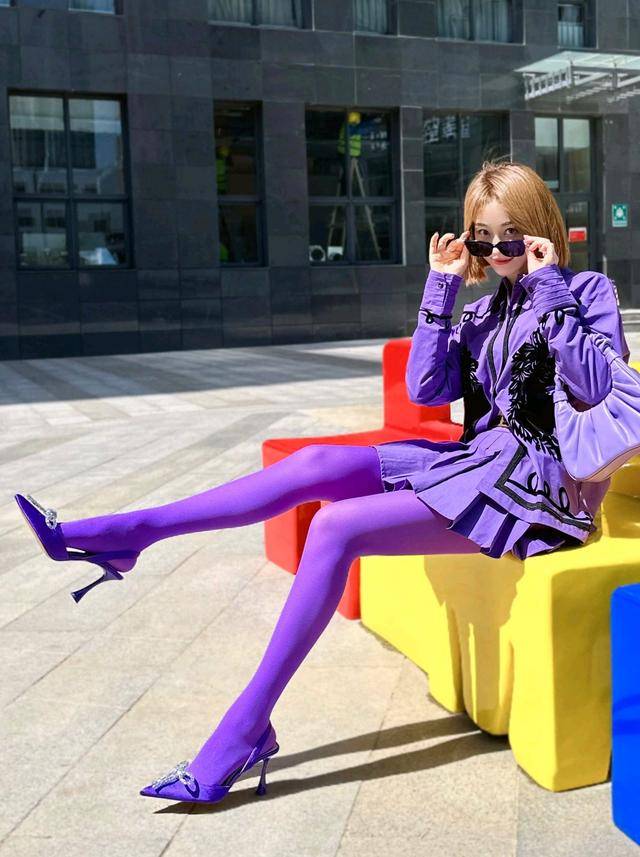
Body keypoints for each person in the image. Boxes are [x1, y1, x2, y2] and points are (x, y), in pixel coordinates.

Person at [14, 160, 630, 805]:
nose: (498, 252)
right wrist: (441, 285)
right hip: (476, 464)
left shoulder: (585, 290)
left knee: (336, 526)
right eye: (483, 239)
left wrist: (548, 286)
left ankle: (244, 729)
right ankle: (132, 533)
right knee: (313, 465)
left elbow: (596, 387)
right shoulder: (481, 313)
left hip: (538, 492)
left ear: (539, 228)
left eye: (511, 236)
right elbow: (426, 389)